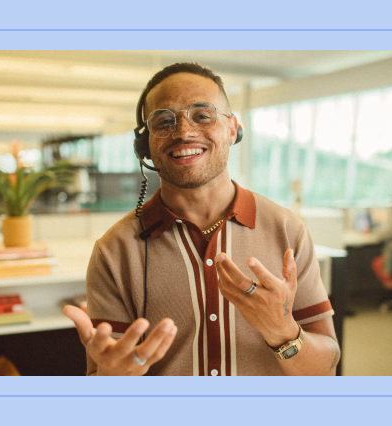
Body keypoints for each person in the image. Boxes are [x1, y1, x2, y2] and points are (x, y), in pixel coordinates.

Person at [63, 62, 339, 376]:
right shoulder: (114, 251)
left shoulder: (288, 230)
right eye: (164, 121)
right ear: (145, 145)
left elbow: (325, 370)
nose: (183, 132)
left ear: (233, 128)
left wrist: (283, 331)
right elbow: (101, 378)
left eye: (203, 116)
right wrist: (113, 380)